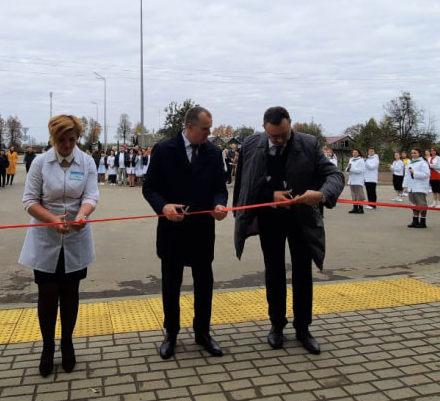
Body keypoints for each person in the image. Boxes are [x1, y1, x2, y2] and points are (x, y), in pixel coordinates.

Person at [232, 106, 344, 354]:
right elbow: (244, 187)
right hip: (269, 219)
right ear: (264, 129)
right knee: (273, 271)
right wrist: (268, 195)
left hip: (301, 218)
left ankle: (303, 327)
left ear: (290, 124)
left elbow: (334, 176)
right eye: (274, 136)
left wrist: (323, 194)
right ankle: (276, 325)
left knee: (303, 272)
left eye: (284, 134)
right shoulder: (251, 144)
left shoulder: (309, 144)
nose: (280, 140)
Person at [142, 106, 228, 359]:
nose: (209, 133)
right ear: (189, 127)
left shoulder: (213, 152)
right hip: (173, 230)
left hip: (202, 230)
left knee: (204, 284)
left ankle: (202, 332)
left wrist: (219, 204)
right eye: (205, 129)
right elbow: (150, 189)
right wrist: (163, 206)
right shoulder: (164, 149)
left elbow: (219, 188)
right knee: (171, 284)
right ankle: (171, 333)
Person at [19, 115, 100, 377]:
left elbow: (91, 194)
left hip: (76, 235)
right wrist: (52, 220)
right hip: (46, 236)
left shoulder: (86, 161)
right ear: (53, 139)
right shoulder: (41, 163)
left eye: (72, 140)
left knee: (70, 293)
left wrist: (83, 214)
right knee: (47, 294)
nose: (67, 145)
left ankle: (67, 342)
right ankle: (47, 347)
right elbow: (29, 200)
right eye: (62, 141)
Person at [406, 148, 431, 228]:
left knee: (422, 205)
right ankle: (415, 220)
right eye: (412, 153)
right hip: (411, 187)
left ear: (419, 153)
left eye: (415, 153)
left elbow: (426, 174)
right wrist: (405, 185)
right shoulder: (410, 163)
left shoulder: (423, 163)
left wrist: (414, 173)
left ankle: (423, 221)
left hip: (420, 187)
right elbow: (407, 175)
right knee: (413, 205)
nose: (413, 154)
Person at [345, 149, 366, 214]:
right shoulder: (351, 159)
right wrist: (347, 169)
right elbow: (348, 168)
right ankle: (355, 207)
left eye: (356, 152)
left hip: (358, 180)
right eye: (353, 152)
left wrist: (351, 169)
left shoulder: (361, 160)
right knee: (353, 194)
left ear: (358, 153)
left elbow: (360, 170)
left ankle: (361, 208)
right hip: (352, 180)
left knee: (359, 195)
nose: (354, 153)